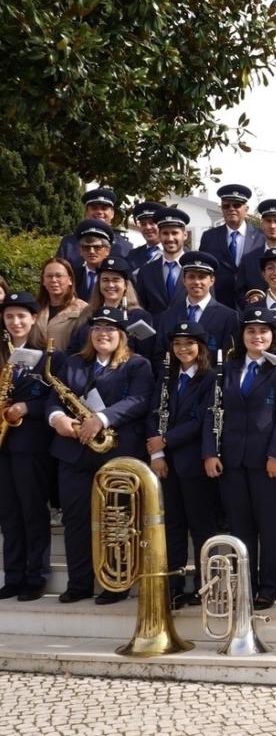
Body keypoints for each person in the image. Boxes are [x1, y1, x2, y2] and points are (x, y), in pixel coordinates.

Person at [47, 307, 153, 605]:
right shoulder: (73, 363)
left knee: (117, 520)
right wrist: (58, 420)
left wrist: (102, 419)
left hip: (116, 454)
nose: (103, 333)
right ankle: (79, 582)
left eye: (110, 329)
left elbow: (140, 400)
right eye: (97, 328)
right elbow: (55, 400)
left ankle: (116, 582)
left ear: (122, 335)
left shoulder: (137, 364)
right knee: (76, 520)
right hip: (74, 454)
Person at [202, 307, 276, 611]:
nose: (257, 337)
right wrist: (210, 452)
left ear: (273, 336)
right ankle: (244, 584)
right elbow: (212, 414)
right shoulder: (225, 370)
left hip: (267, 461)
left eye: (264, 332)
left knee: (269, 527)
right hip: (231, 459)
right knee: (239, 526)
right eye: (251, 332)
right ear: (242, 336)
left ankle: (268, 588)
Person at [145, 320, 217, 609]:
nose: (183, 349)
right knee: (172, 527)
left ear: (200, 347)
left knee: (201, 528)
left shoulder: (211, 378)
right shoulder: (166, 377)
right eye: (177, 344)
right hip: (166, 465)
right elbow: (152, 414)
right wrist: (157, 455)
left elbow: (201, 419)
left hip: (193, 464)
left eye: (189, 343)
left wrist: (165, 440)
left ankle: (205, 585)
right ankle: (174, 586)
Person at [0, 292, 60, 601]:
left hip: (31, 444)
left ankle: (35, 576)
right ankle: (13, 575)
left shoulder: (47, 355)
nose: (15, 322)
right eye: (9, 317)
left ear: (33, 318)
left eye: (21, 316)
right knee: (9, 513)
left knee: (33, 510)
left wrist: (26, 408)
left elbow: (54, 398)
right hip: (3, 446)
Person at [152, 251, 239, 367]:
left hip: (212, 382)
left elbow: (231, 358)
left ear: (212, 280)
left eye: (202, 277)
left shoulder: (228, 317)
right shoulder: (168, 316)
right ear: (184, 280)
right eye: (191, 277)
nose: (197, 282)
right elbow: (159, 356)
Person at [68, 256, 153, 357]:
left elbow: (146, 353)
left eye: (116, 280)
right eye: (105, 280)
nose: (110, 285)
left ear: (125, 285)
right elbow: (73, 349)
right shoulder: (88, 313)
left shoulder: (139, 317)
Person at [197, 183, 264, 310]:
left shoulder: (262, 237)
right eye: (226, 206)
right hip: (219, 306)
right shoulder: (209, 237)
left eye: (237, 205)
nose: (231, 209)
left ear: (246, 208)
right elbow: (204, 271)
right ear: (221, 209)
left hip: (254, 305)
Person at [134, 207, 189, 315]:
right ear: (159, 235)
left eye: (174, 233)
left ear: (185, 235)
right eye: (165, 233)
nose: (170, 238)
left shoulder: (197, 269)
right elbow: (141, 308)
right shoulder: (146, 271)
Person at [36, 258, 87, 351]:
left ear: (70, 280)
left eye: (59, 276)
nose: (54, 280)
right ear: (43, 281)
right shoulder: (35, 309)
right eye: (49, 276)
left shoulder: (83, 310)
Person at [126, 201, 164, 273]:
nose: (148, 227)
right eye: (143, 224)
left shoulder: (178, 253)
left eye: (152, 223)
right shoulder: (132, 255)